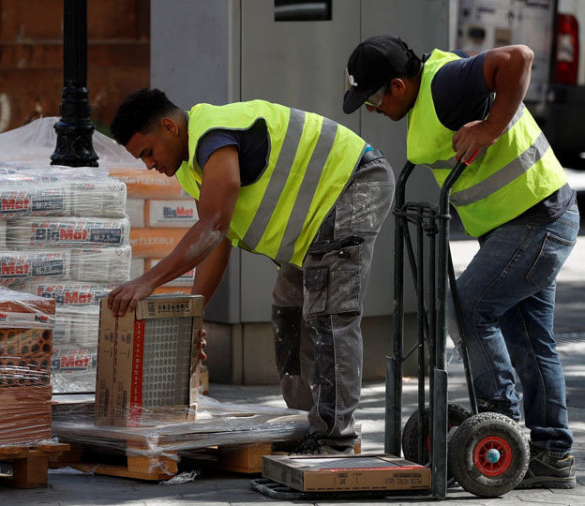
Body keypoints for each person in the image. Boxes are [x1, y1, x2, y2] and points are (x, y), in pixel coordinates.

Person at [343, 36, 579, 488]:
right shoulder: (428, 98)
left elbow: (519, 58)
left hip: (539, 217)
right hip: (522, 222)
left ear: (397, 85)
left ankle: (503, 423)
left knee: (467, 308)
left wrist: (490, 127)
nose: (371, 109)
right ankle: (551, 455)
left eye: (372, 98)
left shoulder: (445, 83)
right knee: (530, 339)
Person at [107, 88, 395, 454]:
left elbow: (212, 225)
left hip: (355, 183)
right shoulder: (192, 168)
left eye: (148, 152)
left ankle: (334, 439)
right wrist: (194, 318)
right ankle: (305, 423)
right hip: (316, 222)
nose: (149, 165)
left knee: (329, 316)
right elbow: (217, 240)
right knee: (289, 309)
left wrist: (148, 280)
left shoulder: (213, 134)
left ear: (169, 127)